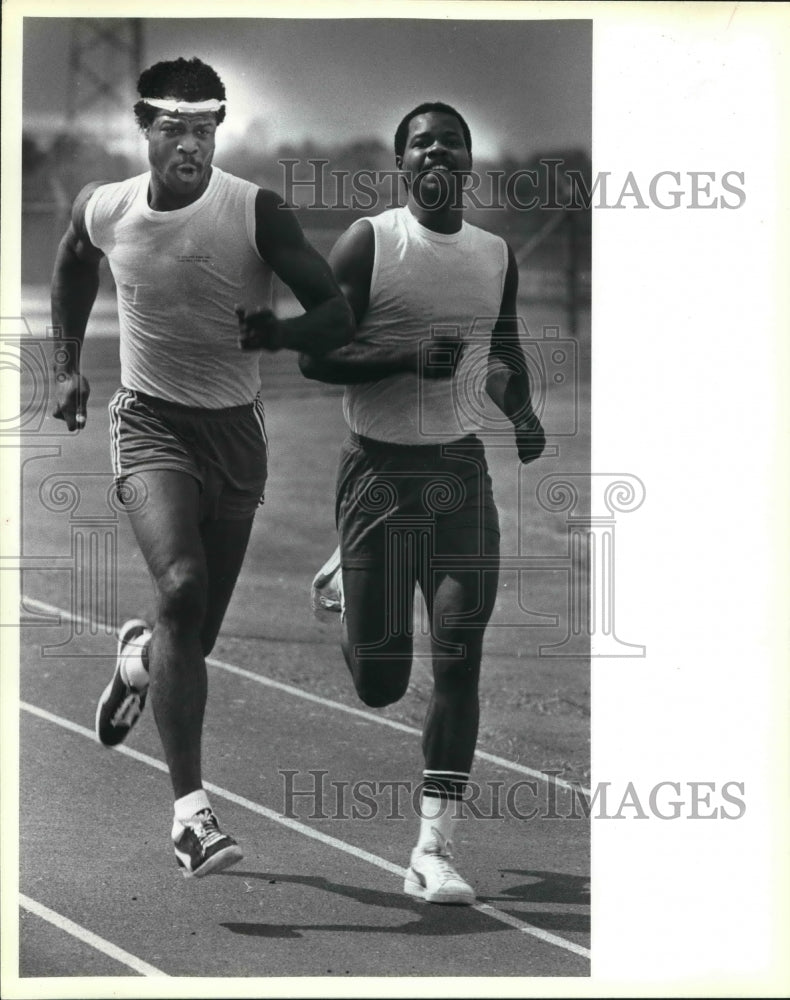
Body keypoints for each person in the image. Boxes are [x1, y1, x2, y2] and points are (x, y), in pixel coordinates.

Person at [50, 57, 354, 878]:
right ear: (144, 128)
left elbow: (336, 310)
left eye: (205, 128)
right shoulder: (107, 207)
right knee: (181, 587)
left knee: (192, 636)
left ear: (219, 130)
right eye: (175, 128)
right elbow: (76, 257)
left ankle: (137, 661)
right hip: (149, 424)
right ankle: (191, 816)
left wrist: (283, 335)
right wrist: (70, 363)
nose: (191, 144)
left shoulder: (255, 212)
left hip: (236, 437)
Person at [300, 101, 545, 905]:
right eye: (420, 142)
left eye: (452, 141)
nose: (436, 151)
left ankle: (432, 849)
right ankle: (343, 582)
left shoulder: (493, 252)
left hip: (460, 478)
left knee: (460, 650)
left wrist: (521, 411)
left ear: (469, 160)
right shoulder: (371, 242)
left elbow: (503, 347)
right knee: (378, 680)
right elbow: (317, 358)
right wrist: (408, 357)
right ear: (401, 162)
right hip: (377, 476)